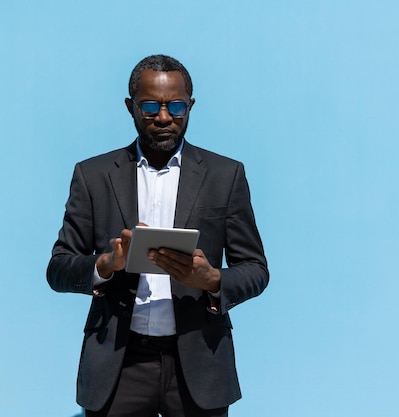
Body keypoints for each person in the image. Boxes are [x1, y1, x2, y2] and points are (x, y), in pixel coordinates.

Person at [47, 54, 269, 417]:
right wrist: (104, 265)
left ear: (190, 106)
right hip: (119, 365)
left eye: (176, 106)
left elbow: (256, 269)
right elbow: (58, 269)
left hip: (200, 364)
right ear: (130, 107)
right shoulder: (93, 176)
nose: (164, 117)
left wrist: (213, 280)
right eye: (150, 106)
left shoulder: (225, 175)